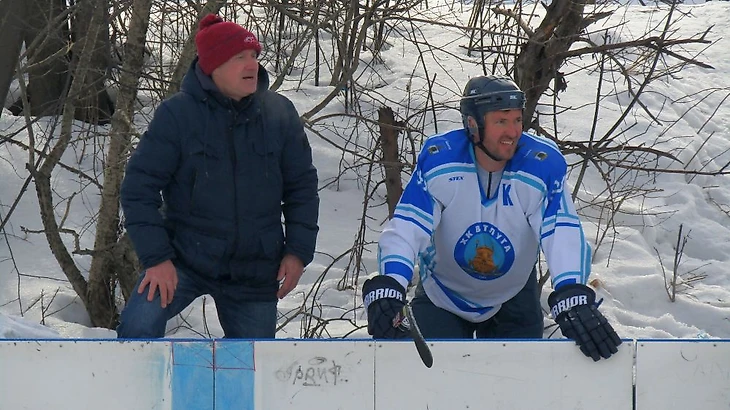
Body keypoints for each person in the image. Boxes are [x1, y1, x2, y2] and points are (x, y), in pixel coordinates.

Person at [362, 75, 621, 361]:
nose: (513, 131)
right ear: (472, 124)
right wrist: (391, 282)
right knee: (432, 389)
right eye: (501, 121)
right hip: (442, 294)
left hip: (513, 295)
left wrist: (571, 290)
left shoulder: (542, 164)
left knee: (518, 391)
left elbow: (561, 230)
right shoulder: (440, 159)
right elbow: (409, 226)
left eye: (517, 120)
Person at [117, 14, 319, 339]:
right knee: (138, 326)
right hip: (186, 258)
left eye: (254, 56)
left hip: (254, 268)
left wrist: (297, 251)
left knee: (250, 365)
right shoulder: (177, 115)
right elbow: (138, 189)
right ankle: (137, 390)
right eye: (239, 57)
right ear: (214, 65)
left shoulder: (279, 114)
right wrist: (157, 259)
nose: (251, 64)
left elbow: (302, 189)